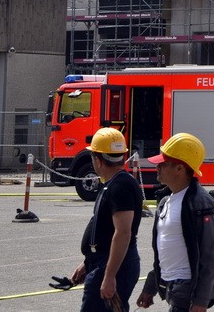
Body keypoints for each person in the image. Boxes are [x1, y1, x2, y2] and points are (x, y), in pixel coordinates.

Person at [137, 133, 214, 312]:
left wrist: (201, 301)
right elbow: (166, 251)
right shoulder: (165, 202)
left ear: (180, 169)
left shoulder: (200, 203)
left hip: (187, 290)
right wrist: (151, 286)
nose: (157, 167)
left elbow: (209, 255)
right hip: (172, 289)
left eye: (164, 163)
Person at [71, 127, 143, 312]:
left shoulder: (120, 186)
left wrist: (110, 276)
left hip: (113, 265)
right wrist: (88, 263)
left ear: (98, 159)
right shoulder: (112, 183)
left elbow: (123, 232)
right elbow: (104, 229)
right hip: (103, 262)